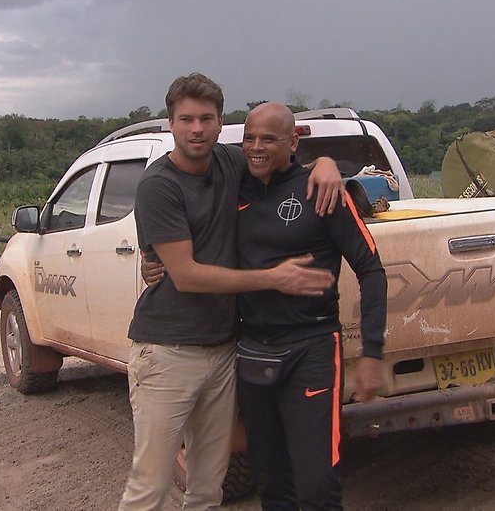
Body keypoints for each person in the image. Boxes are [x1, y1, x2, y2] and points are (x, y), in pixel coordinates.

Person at [119, 74, 345, 511]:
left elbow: (281, 158)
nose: (197, 129)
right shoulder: (158, 185)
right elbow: (185, 276)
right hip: (167, 351)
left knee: (208, 487)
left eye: (206, 118)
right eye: (186, 119)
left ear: (223, 124)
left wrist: (325, 164)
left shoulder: (230, 163)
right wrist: (273, 278)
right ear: (171, 124)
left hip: (224, 350)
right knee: (152, 482)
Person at [235, 102, 387, 509]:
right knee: (270, 483)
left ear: (292, 141)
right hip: (251, 350)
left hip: (312, 347)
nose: (256, 147)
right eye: (249, 138)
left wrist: (372, 353)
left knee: (317, 484)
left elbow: (371, 269)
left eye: (268, 138)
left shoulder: (322, 192)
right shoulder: (236, 187)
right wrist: (151, 255)